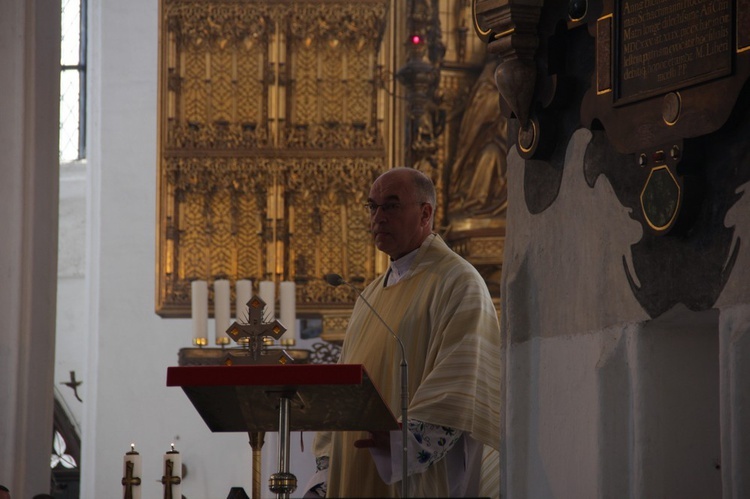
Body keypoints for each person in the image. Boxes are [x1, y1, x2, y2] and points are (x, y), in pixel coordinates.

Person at [306, 167, 501, 497]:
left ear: (425, 213)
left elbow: (461, 381)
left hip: (414, 474)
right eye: (373, 206)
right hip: (356, 463)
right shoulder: (368, 295)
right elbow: (345, 383)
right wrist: (326, 470)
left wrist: (401, 439)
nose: (378, 218)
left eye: (391, 206)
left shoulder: (458, 282)